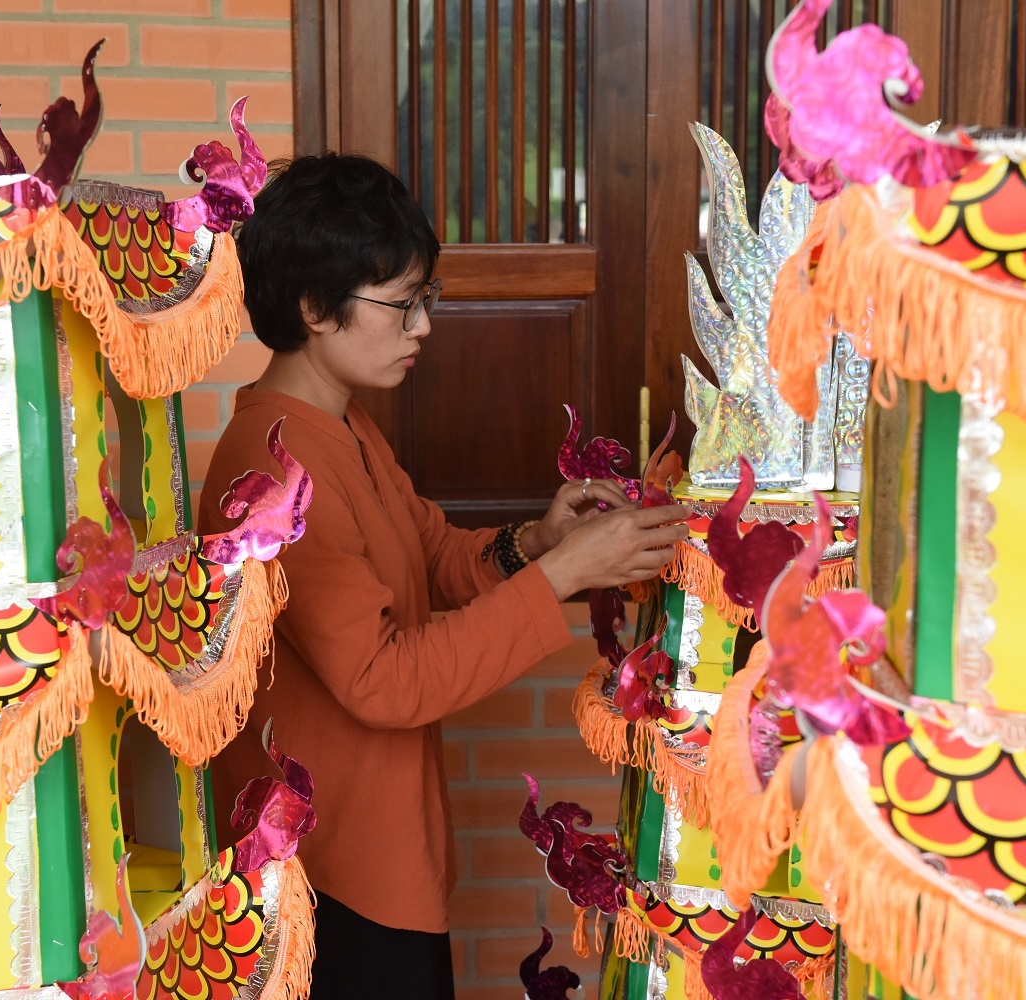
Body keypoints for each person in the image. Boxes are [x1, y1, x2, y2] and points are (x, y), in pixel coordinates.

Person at [199, 153, 686, 998]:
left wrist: (537, 541)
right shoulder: (274, 468)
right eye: (402, 305)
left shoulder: (341, 426)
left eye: (426, 299)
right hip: (330, 877)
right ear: (315, 307)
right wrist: (562, 574)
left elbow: (431, 553)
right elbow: (382, 680)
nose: (423, 326)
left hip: (380, 852)